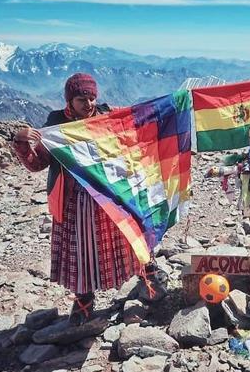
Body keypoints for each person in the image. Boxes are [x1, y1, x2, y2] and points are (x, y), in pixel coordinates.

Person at [12, 73, 155, 325]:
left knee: (126, 233)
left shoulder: (106, 116)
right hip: (73, 200)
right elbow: (37, 164)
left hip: (108, 194)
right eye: (81, 99)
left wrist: (170, 109)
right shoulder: (55, 126)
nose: (88, 104)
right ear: (69, 100)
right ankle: (84, 299)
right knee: (81, 250)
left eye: (91, 98)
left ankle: (148, 273)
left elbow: (137, 119)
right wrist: (22, 143)